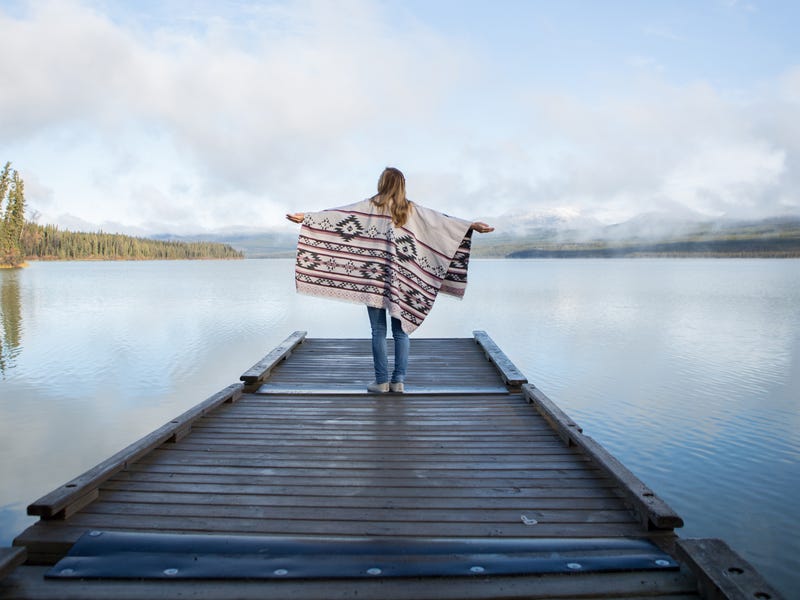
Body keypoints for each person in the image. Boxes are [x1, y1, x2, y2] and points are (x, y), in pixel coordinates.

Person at [287, 167, 493, 393]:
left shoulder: (370, 206)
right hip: (404, 281)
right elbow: (442, 223)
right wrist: (471, 225)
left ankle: (381, 382)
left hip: (375, 278)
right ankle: (399, 381)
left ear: (382, 183)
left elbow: (340, 216)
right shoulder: (412, 210)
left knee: (377, 331)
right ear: (402, 185)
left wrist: (307, 217)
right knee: (401, 331)